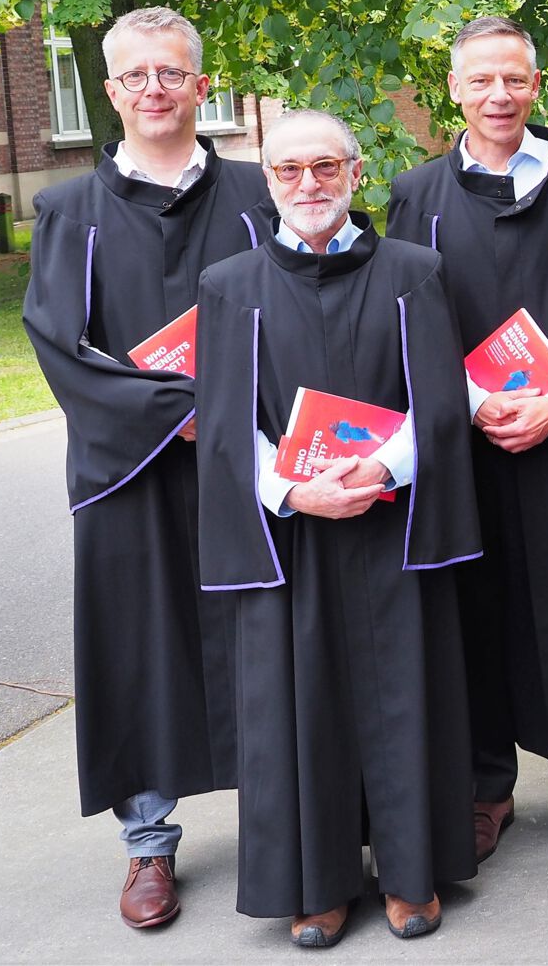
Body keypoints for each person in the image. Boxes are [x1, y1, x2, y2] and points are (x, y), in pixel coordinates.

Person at [194, 110, 480, 947]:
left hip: (392, 525)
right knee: (301, 703)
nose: (309, 184)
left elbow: (437, 400)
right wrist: (289, 493)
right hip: (293, 537)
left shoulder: (414, 272)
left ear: (356, 173)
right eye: (289, 171)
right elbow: (223, 426)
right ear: (267, 181)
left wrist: (384, 469)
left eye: (326, 167)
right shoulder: (229, 285)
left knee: (401, 695)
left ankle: (408, 873)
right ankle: (315, 883)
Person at [22, 6, 267, 929]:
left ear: (204, 86)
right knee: (140, 648)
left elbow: (300, 315)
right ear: (111, 90)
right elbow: (59, 346)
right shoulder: (67, 211)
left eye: (173, 73)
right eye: (135, 77)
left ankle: (293, 812)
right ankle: (149, 844)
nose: (155, 90)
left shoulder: (257, 193)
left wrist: (238, 416)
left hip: (249, 461)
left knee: (267, 629)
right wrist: (185, 411)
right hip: (127, 473)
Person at [387, 17, 548, 864]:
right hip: (462, 444)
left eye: (516, 79)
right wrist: (465, 400)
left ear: (537, 85)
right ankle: (484, 784)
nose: (500, 95)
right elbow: (406, 319)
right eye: (482, 81)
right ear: (454, 88)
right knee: (476, 605)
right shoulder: (415, 196)